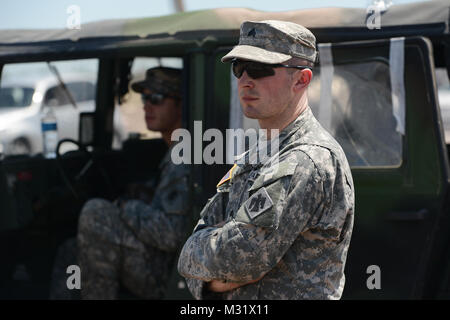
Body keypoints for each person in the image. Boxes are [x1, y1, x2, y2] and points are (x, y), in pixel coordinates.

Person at [177, 20, 355, 300]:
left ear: (302, 79)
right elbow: (190, 249)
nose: (246, 80)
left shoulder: (306, 158)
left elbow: (240, 258)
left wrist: (205, 262)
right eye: (239, 68)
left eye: (260, 69)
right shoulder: (258, 154)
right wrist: (208, 283)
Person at [50, 67, 191, 299]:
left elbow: (170, 234)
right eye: (145, 98)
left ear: (181, 105)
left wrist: (126, 207)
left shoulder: (185, 155)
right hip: (160, 259)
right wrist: (144, 193)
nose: (146, 106)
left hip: (170, 273)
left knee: (96, 214)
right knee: (71, 250)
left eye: (156, 98)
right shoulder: (177, 150)